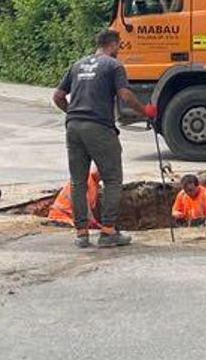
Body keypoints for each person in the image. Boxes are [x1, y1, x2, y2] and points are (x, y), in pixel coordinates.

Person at [52, 29, 155, 249]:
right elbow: (125, 95)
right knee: (112, 179)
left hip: (73, 128)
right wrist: (145, 110)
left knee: (78, 181)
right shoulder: (113, 66)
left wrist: (73, 113)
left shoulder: (77, 65)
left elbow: (58, 96)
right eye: (119, 45)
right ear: (114, 44)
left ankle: (81, 234)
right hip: (99, 127)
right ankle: (108, 232)